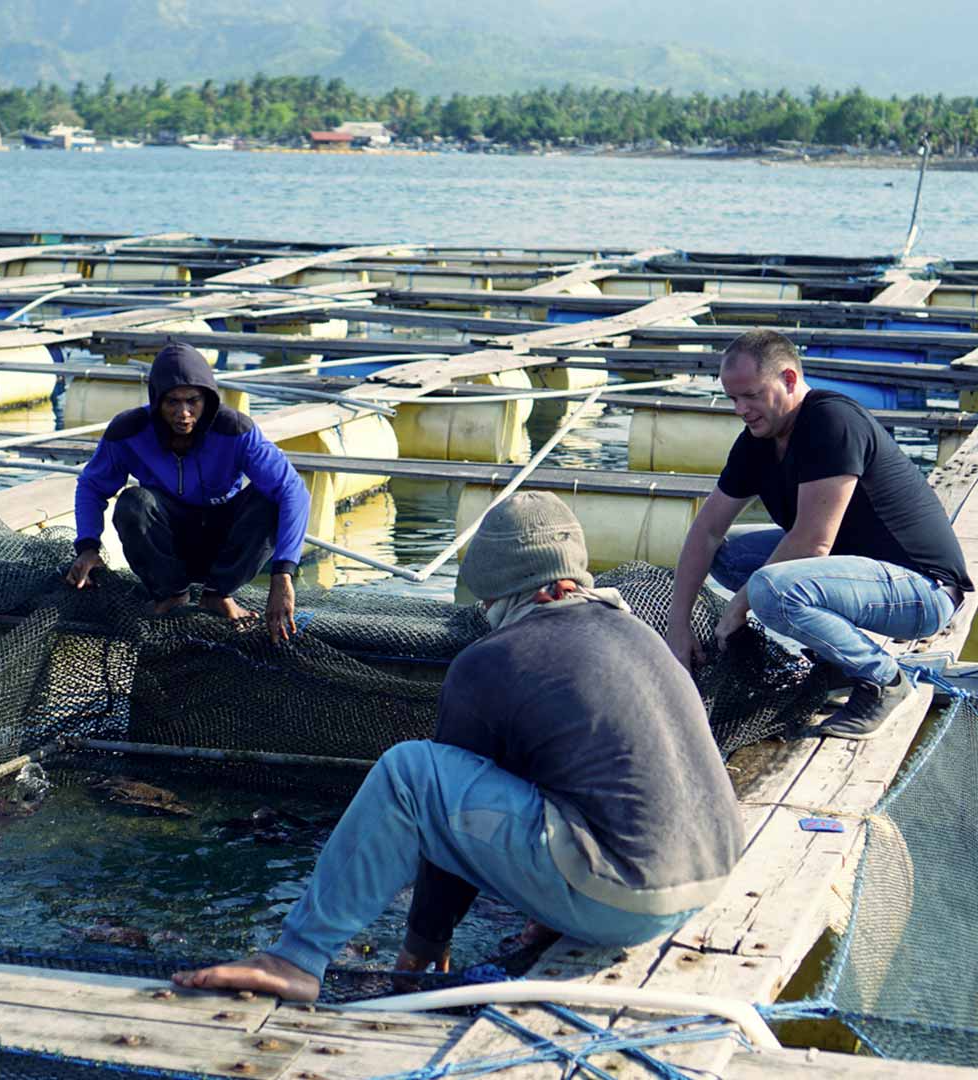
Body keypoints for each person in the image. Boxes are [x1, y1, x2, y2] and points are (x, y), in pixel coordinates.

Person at [172, 491, 743, 999]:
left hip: (624, 899)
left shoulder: (494, 659)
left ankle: (293, 958)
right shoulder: (635, 630)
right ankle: (572, 902)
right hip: (708, 878)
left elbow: (444, 828)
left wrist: (423, 945)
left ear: (497, 592)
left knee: (409, 774)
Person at [666, 329, 972, 740]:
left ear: (789, 380)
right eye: (733, 398)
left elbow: (813, 542)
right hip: (858, 576)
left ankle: (885, 682)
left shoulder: (831, 421)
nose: (741, 409)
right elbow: (706, 530)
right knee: (728, 555)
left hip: (922, 590)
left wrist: (737, 609)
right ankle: (838, 662)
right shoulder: (758, 439)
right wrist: (677, 625)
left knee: (770, 590)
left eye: (751, 395)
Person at [65, 342, 310, 638]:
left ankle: (218, 594)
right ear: (157, 402)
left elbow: (293, 491)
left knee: (269, 499)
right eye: (172, 402)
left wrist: (283, 575)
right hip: (168, 546)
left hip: (224, 544)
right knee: (133, 502)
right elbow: (91, 486)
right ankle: (171, 595)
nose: (183, 413)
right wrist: (88, 547)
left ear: (207, 399)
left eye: (192, 401)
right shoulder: (128, 431)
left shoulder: (235, 430)